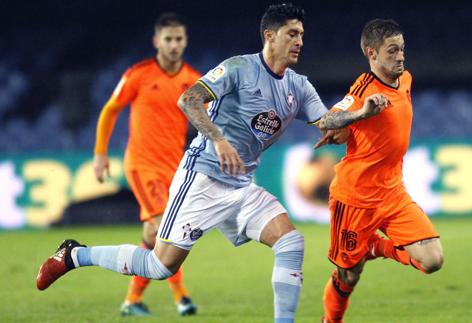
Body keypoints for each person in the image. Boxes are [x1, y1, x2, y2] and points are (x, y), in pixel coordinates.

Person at [36, 3, 350, 322]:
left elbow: (327, 121)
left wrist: (362, 113)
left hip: (241, 186)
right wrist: (218, 139)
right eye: (292, 34)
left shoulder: (298, 85)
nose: (299, 41)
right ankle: (75, 255)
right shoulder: (239, 67)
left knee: (291, 243)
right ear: (270, 36)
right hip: (203, 178)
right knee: (160, 265)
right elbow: (188, 100)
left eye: (301, 35)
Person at [315, 19, 444, 322]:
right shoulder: (363, 88)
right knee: (348, 275)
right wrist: (360, 114)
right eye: (392, 51)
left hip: (393, 193)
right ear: (372, 54)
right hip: (355, 199)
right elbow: (325, 121)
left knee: (432, 260)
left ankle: (373, 246)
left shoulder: (406, 79)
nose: (400, 57)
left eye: (402, 49)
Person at [91, 13, 200, 316]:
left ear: (186, 40)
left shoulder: (193, 81)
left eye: (179, 39)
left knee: (153, 237)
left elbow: (213, 120)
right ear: (156, 41)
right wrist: (100, 154)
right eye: (168, 39)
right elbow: (111, 109)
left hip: (174, 169)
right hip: (142, 165)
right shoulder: (138, 75)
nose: (174, 45)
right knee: (167, 230)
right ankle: (182, 298)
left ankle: (132, 301)